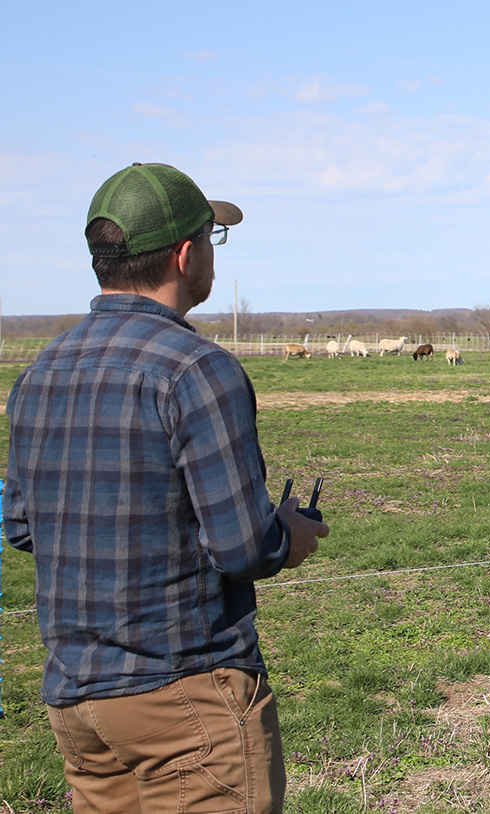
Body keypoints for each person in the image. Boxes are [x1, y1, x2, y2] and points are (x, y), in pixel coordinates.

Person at [3, 163, 329, 814]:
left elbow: (20, 525)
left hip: (77, 702)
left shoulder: (40, 373)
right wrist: (288, 533)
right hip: (185, 701)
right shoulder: (197, 369)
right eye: (211, 237)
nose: (211, 251)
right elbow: (242, 548)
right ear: (185, 255)